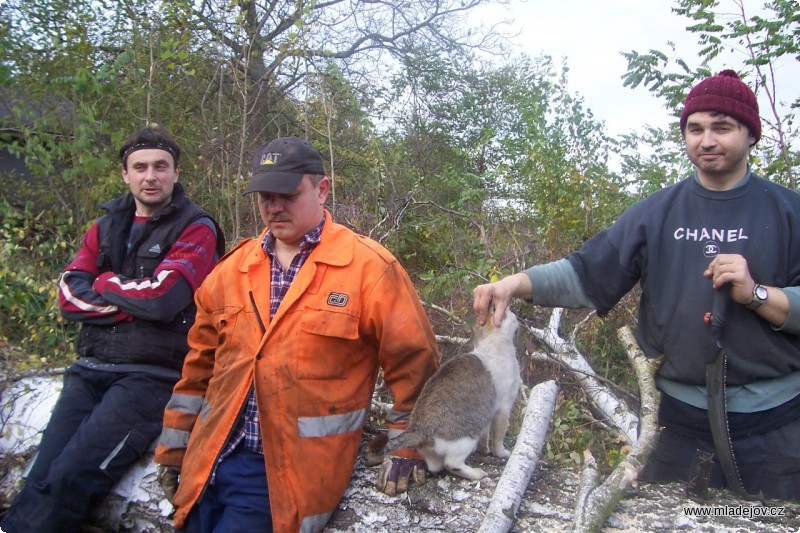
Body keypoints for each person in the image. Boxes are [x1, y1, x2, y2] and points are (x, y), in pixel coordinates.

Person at [473, 70, 800, 501]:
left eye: (722, 127)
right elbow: (586, 275)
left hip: (773, 426)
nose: (706, 140)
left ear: (751, 134)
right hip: (675, 424)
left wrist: (757, 294)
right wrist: (515, 283)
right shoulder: (658, 212)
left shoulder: (786, 210)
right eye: (695, 128)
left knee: (770, 523)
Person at [154, 135, 440, 532]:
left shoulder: (368, 269)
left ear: (322, 190)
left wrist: (409, 443)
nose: (274, 207)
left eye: (288, 194)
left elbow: (415, 361)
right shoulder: (232, 271)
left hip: (283, 475)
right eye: (265, 196)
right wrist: (173, 450)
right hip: (209, 462)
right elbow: (198, 369)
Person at [0, 126, 226, 532]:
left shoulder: (196, 228)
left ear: (176, 173)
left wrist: (103, 285)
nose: (150, 176)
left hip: (151, 377)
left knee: (71, 476)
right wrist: (129, 302)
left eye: (161, 166)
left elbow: (164, 298)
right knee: (40, 472)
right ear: (125, 174)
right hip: (90, 369)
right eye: (140, 167)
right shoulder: (106, 225)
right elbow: (69, 295)